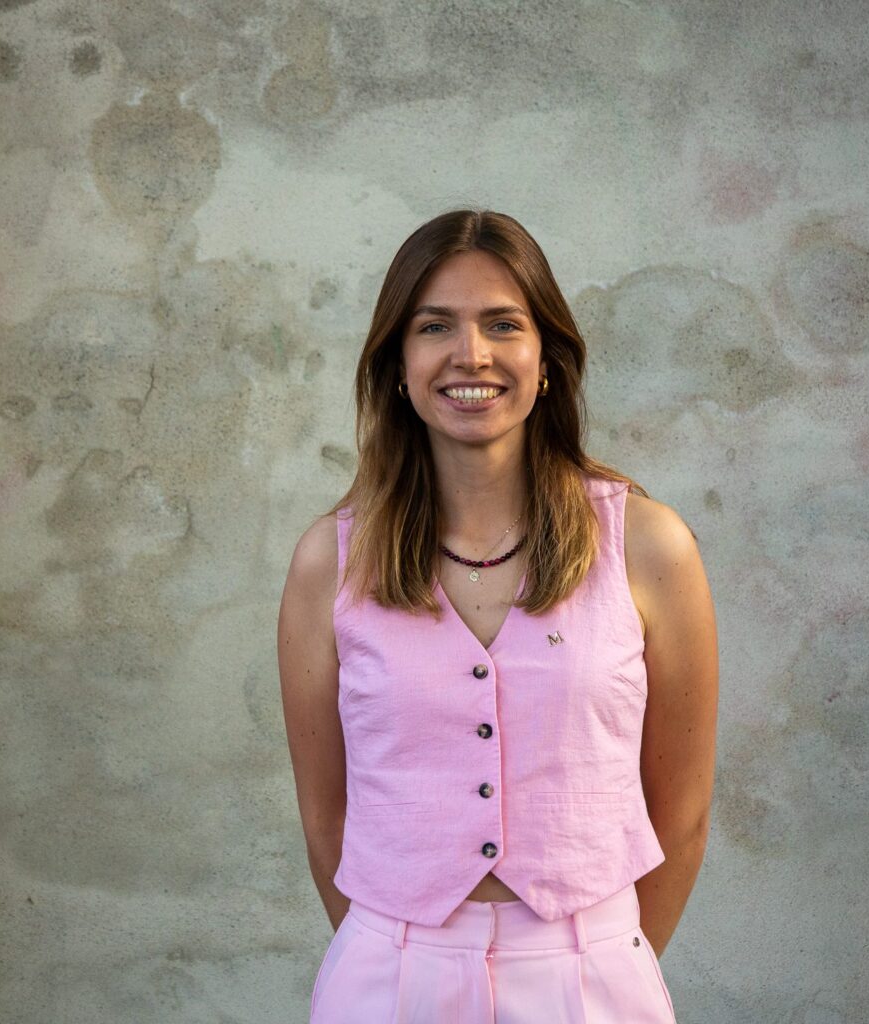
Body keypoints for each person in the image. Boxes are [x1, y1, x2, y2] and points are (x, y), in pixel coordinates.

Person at [277, 209, 719, 1023]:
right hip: (388, 979)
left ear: (546, 359)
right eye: (434, 326)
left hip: (591, 979)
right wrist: (400, 957)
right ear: (398, 365)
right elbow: (325, 817)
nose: (470, 354)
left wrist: (599, 962)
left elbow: (682, 813)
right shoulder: (329, 563)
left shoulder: (650, 547)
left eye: (503, 324)